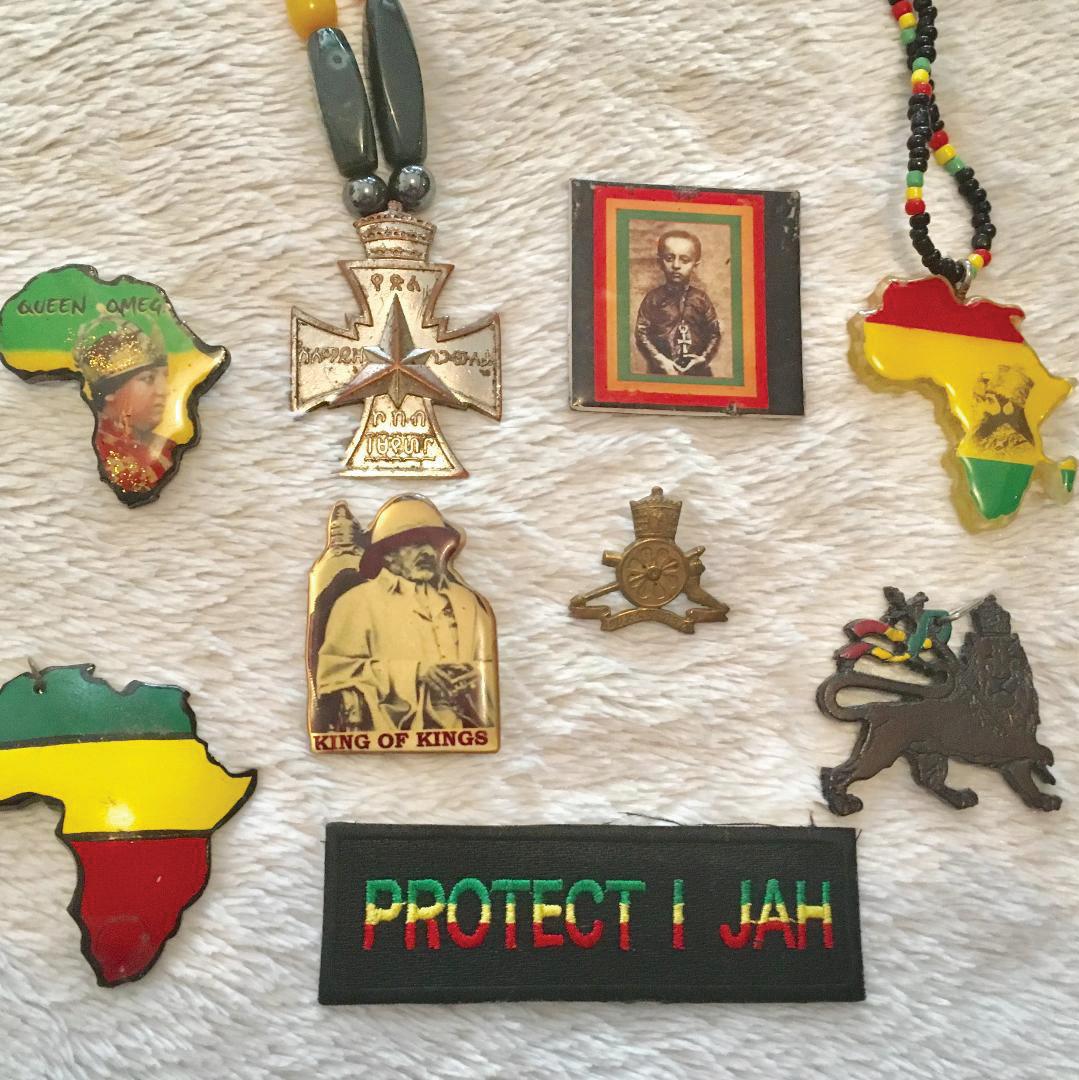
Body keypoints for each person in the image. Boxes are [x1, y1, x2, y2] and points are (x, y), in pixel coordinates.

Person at [315, 495, 498, 732]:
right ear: (387, 554)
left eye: (432, 544)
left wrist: (475, 676)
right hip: (387, 733)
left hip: (467, 730)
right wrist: (415, 674)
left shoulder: (467, 602)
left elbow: (491, 667)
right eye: (414, 544)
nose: (427, 552)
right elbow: (332, 675)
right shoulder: (356, 603)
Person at [73, 313, 175, 495]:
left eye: (164, 377)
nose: (163, 390)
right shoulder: (94, 449)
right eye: (148, 379)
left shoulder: (167, 448)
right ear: (110, 391)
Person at [634, 229, 723, 377]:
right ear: (660, 262)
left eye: (684, 260)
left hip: (698, 373)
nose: (676, 265)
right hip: (662, 373)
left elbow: (714, 332)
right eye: (669, 258)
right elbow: (641, 333)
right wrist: (660, 360)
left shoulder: (701, 299)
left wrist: (703, 359)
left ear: (695, 264)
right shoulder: (653, 299)